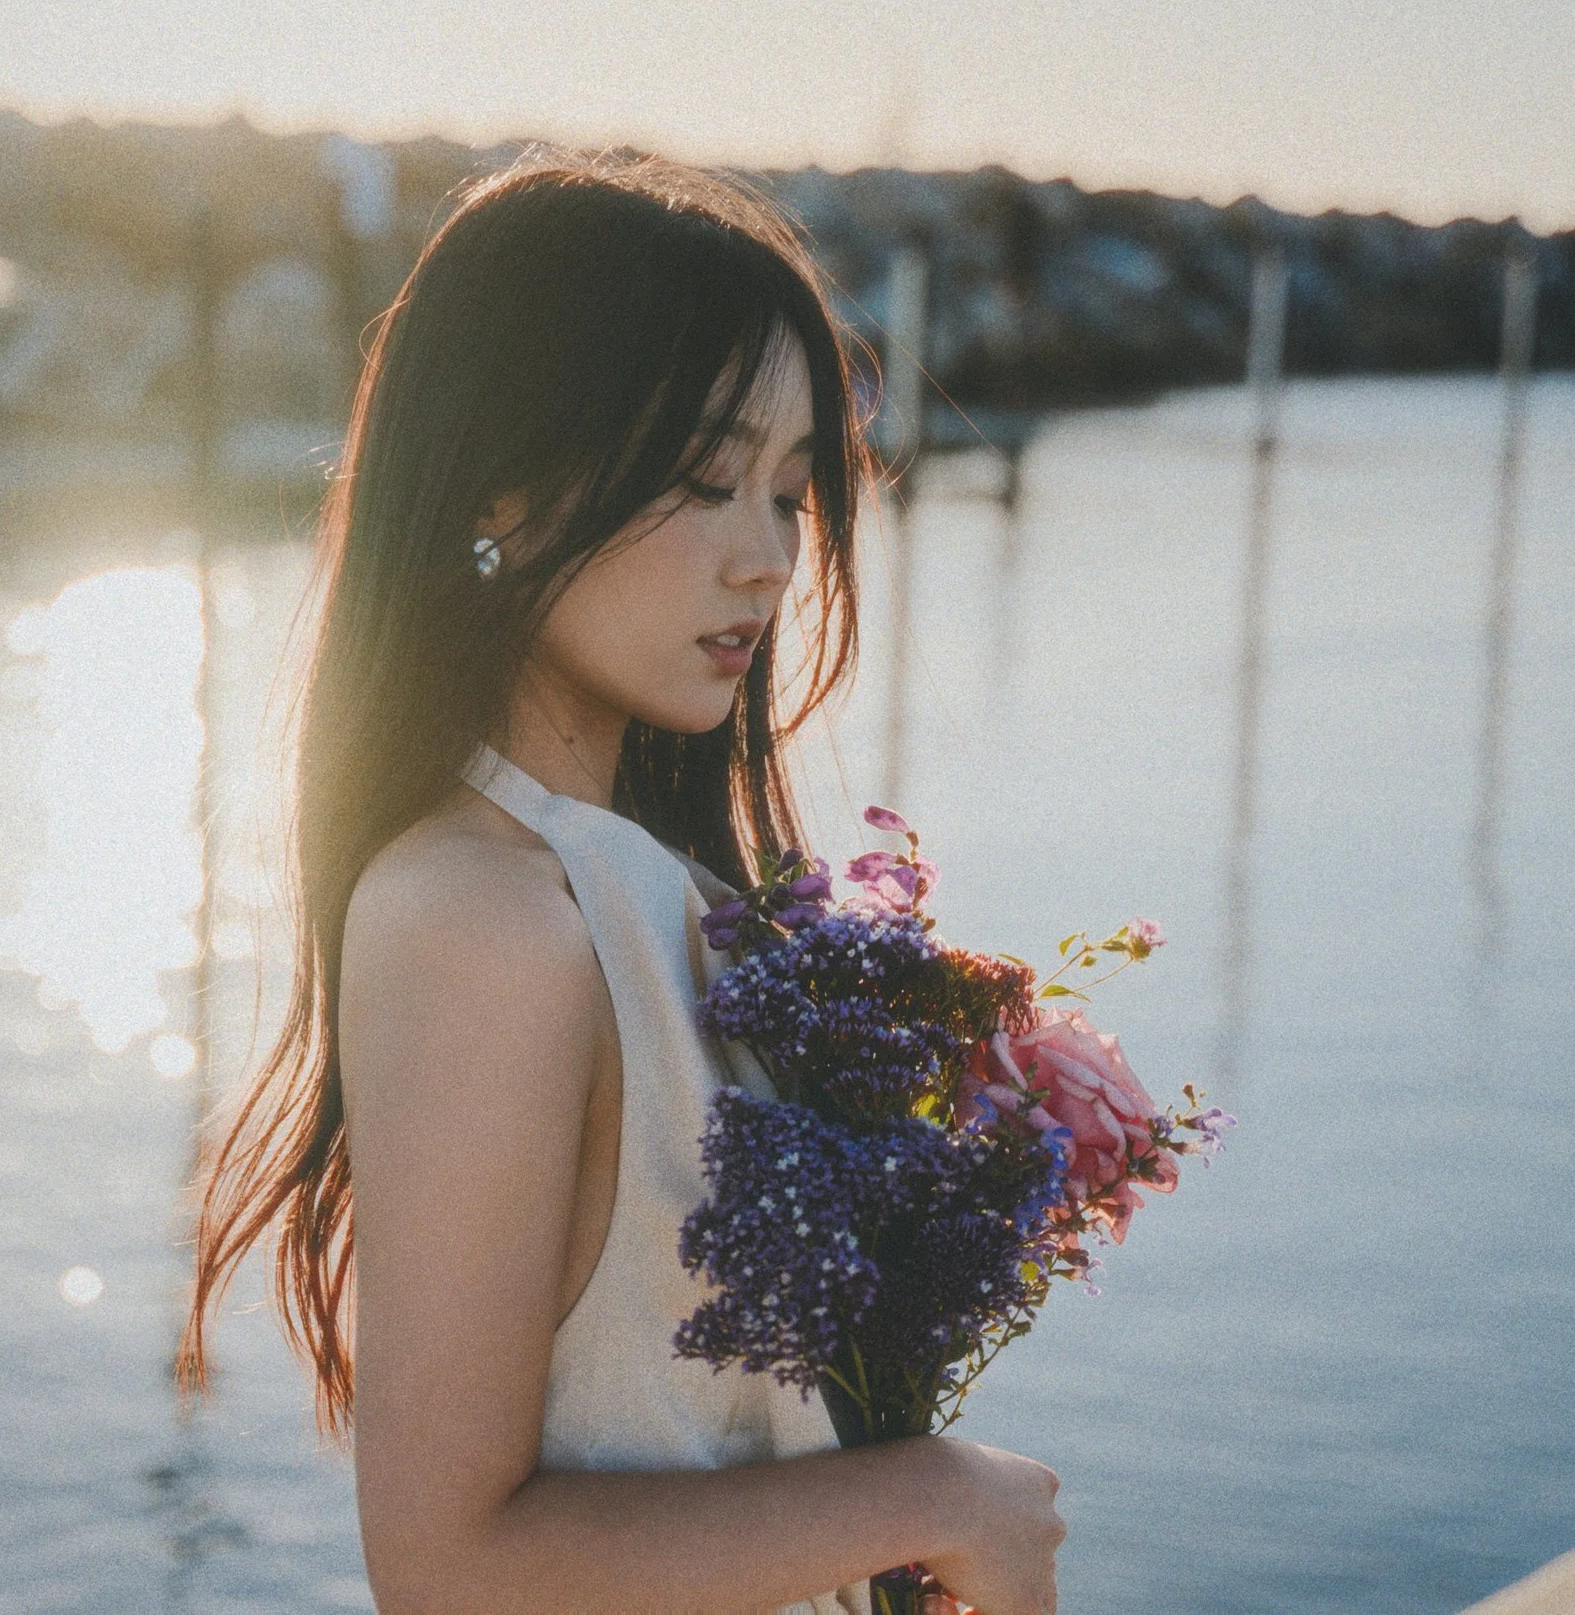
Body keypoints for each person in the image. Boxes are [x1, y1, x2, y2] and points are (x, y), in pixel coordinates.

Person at [181, 150, 1065, 1615]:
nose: (768, 558)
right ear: (503, 483)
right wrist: (933, 1497)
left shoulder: (650, 889)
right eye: (707, 478)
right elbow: (448, 1570)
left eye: (791, 493)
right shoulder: (478, 915)